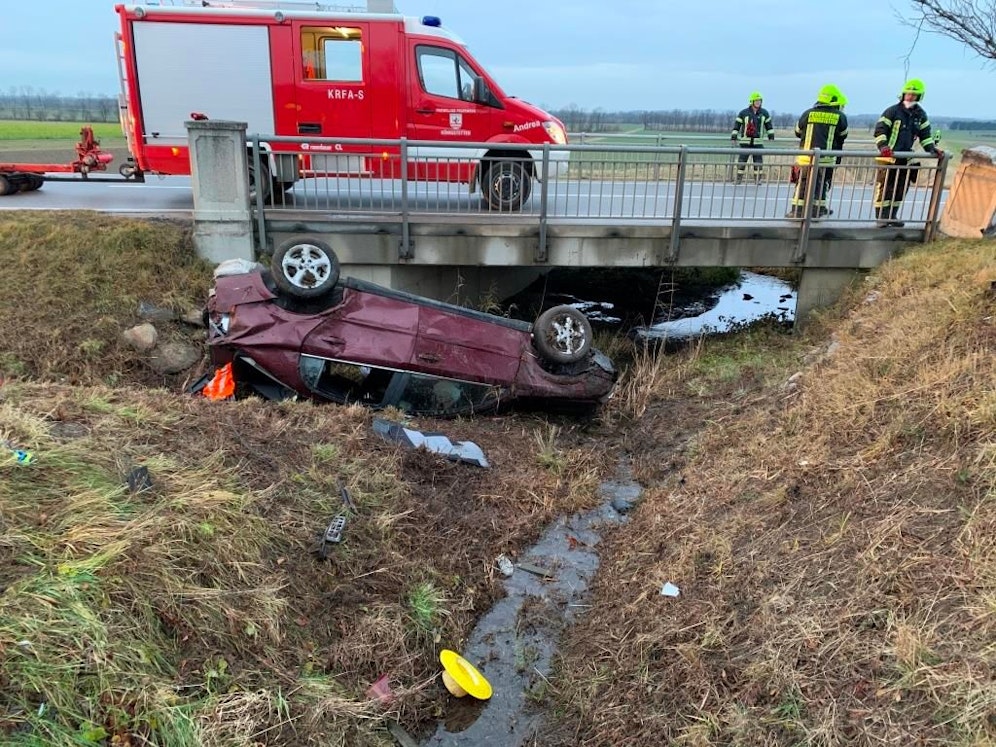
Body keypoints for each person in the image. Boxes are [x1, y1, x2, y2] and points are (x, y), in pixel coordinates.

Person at [872, 78, 945, 227]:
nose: (910, 97)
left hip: (905, 159)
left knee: (900, 189)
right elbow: (880, 130)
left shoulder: (921, 115)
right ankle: (881, 218)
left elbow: (925, 135)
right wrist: (883, 147)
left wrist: (932, 149)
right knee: (885, 189)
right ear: (903, 94)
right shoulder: (892, 111)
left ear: (919, 96)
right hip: (888, 158)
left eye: (913, 94)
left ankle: (892, 216)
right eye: (908, 93)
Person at [785, 84, 848, 220]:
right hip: (826, 159)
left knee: (802, 184)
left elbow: (798, 132)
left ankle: (797, 211)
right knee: (821, 186)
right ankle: (817, 211)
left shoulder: (808, 113)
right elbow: (842, 136)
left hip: (806, 158)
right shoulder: (840, 117)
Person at [731, 92, 775, 184]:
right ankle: (738, 179)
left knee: (758, 163)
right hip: (745, 142)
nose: (758, 102)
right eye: (756, 101)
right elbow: (737, 126)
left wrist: (771, 135)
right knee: (741, 162)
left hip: (758, 143)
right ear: (752, 101)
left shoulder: (764, 113)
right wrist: (734, 136)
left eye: (760, 101)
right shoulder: (743, 113)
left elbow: (769, 126)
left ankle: (758, 180)